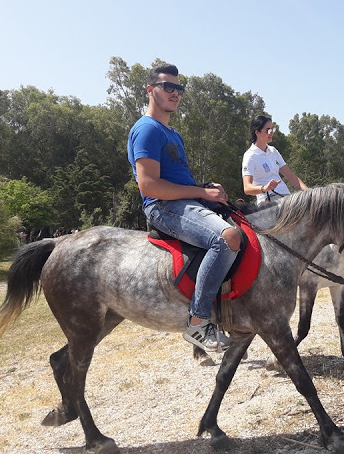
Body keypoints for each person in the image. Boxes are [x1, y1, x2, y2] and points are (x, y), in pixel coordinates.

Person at [127, 64, 240, 352]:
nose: (175, 93)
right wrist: (201, 192)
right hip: (163, 207)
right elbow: (149, 186)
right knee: (227, 238)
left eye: (179, 89)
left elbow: (178, 178)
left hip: (185, 202)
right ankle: (198, 323)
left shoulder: (172, 133)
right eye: (168, 87)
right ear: (151, 90)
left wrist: (208, 191)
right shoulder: (147, 130)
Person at [242, 115, 307, 205]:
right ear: (257, 132)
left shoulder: (273, 151)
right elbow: (247, 188)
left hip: (286, 197)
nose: (271, 132)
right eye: (268, 130)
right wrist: (264, 188)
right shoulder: (250, 156)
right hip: (268, 202)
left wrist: (310, 194)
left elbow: (292, 177)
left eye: (272, 129)